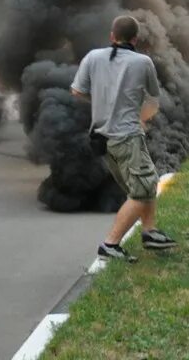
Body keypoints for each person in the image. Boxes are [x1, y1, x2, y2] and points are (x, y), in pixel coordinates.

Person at [71, 14, 178, 262]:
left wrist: (102, 101)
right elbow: (153, 100)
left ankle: (149, 231)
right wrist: (142, 118)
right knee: (143, 188)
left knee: (140, 184)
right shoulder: (142, 62)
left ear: (112, 36)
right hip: (127, 136)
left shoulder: (93, 57)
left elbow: (77, 91)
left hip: (102, 138)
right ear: (135, 39)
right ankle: (110, 244)